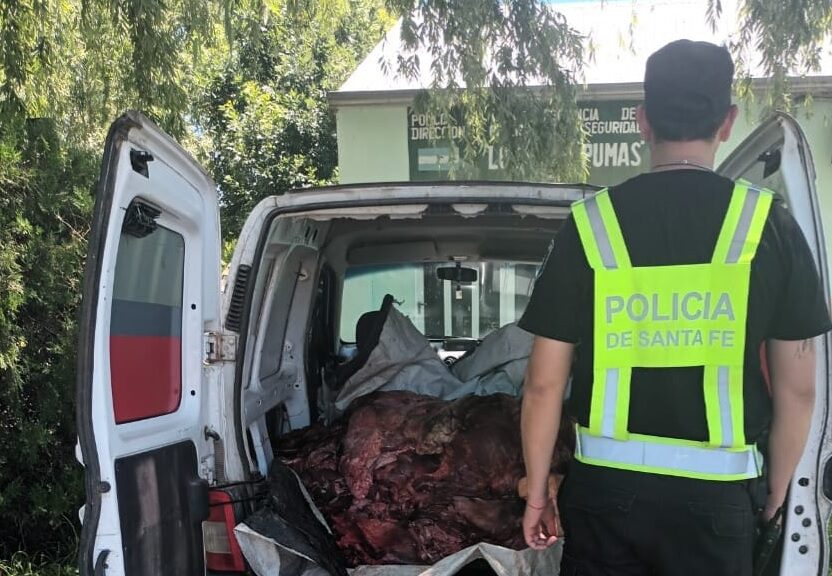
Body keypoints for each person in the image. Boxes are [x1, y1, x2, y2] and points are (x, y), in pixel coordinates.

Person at [518, 39, 831, 576]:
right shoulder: (768, 224)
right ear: (727, 122)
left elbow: (543, 385)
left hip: (605, 499)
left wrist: (538, 493)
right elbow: (799, 390)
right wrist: (777, 491)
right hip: (719, 503)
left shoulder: (590, 225)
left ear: (642, 121)